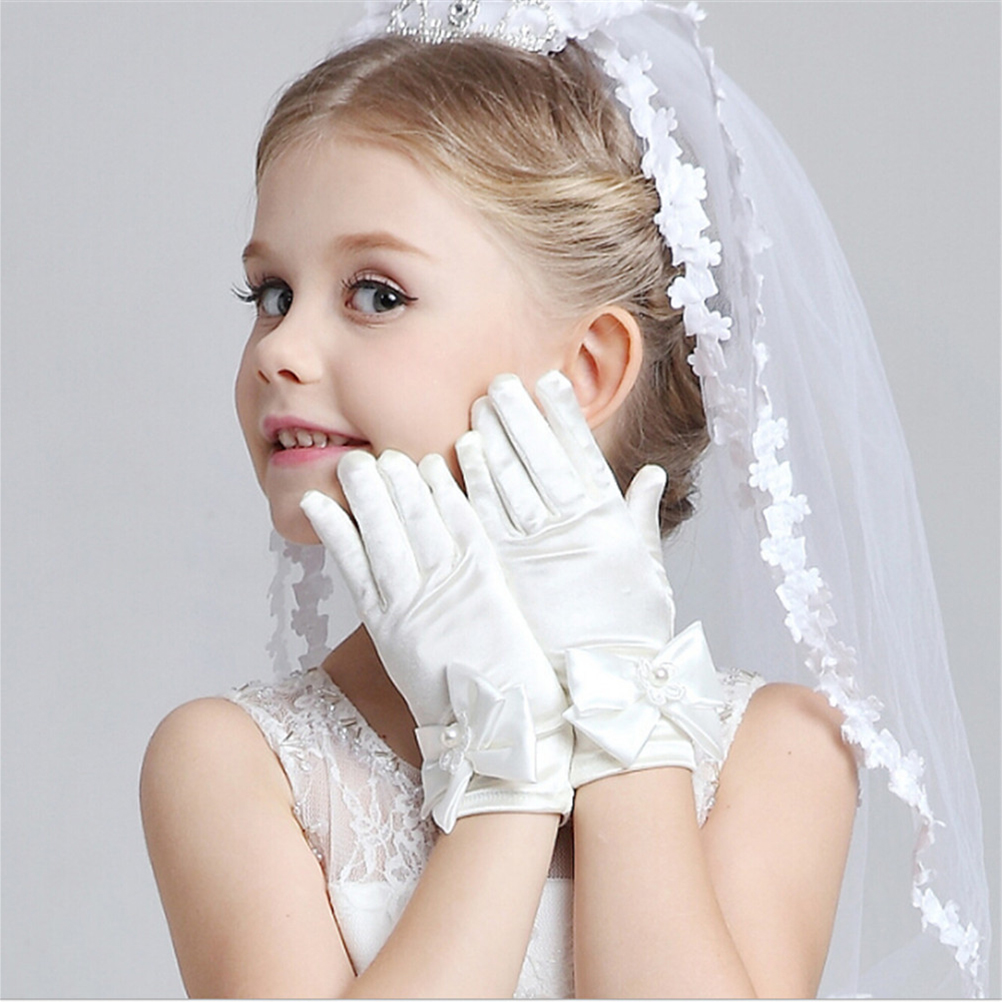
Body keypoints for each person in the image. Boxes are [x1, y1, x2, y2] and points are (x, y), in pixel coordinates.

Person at [139, 2, 990, 997]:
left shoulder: (782, 749)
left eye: (376, 294)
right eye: (271, 293)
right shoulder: (234, 764)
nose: (280, 349)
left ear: (588, 371)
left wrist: (618, 708)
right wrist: (503, 770)